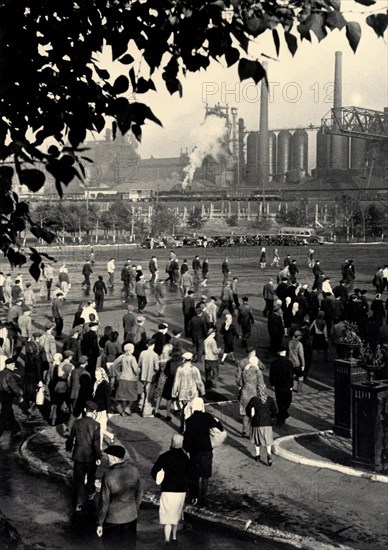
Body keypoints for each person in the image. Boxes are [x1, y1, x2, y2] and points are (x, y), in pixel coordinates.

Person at [97, 445, 143, 549]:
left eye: (108, 457)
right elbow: (139, 493)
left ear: (113, 458)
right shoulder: (134, 470)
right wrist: (134, 509)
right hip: (131, 517)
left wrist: (100, 523)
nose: (107, 459)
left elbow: (104, 502)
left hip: (112, 520)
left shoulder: (108, 475)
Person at [183, 397, 224, 506]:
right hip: (206, 449)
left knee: (194, 474)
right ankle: (203, 497)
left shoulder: (189, 420)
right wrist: (217, 421)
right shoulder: (207, 417)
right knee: (205, 474)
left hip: (194, 451)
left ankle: (194, 496)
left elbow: (187, 437)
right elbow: (220, 427)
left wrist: (186, 449)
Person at [151, 434, 190, 545]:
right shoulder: (185, 458)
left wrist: (160, 480)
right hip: (181, 491)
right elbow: (192, 474)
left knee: (167, 516)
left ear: (172, 443)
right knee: (176, 514)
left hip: (167, 490)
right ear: (182, 444)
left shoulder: (164, 456)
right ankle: (174, 537)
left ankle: (167, 540)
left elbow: (154, 471)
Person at [65, 400, 102, 512]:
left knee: (79, 480)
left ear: (85, 410)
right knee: (91, 476)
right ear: (94, 412)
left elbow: (71, 438)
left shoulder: (77, 423)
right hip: (91, 457)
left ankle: (78, 503)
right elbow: (96, 443)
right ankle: (90, 494)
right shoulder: (96, 425)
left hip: (79, 456)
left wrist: (69, 448)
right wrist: (98, 457)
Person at [246, 383, 277, 465]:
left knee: (257, 441)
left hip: (257, 423)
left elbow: (247, 410)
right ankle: (269, 456)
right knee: (268, 441)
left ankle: (257, 456)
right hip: (267, 424)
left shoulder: (254, 399)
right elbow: (275, 411)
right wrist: (271, 417)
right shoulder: (270, 399)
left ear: (257, 390)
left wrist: (250, 415)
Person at [237, 355, 264, 438]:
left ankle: (245, 431)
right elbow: (261, 384)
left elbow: (240, 383)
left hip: (245, 393)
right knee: (254, 414)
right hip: (254, 394)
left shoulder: (245, 371)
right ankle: (252, 433)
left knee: (246, 414)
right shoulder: (258, 372)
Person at [110, 343, 139, 417]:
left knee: (124, 396)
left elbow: (114, 364)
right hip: (131, 378)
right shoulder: (132, 358)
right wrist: (138, 372)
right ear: (131, 349)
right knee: (133, 395)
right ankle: (128, 408)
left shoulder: (122, 357)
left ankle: (123, 411)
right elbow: (135, 370)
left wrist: (118, 373)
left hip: (123, 377)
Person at [269, 348, 294, 425]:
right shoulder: (289, 363)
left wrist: (272, 384)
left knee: (279, 401)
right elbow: (290, 375)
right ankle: (282, 415)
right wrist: (291, 385)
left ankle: (281, 416)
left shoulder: (274, 363)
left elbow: (272, 375)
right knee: (287, 401)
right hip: (286, 386)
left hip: (278, 385)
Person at [0, 357, 23, 438]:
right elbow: (14, 387)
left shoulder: (1, 372)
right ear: (8, 365)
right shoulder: (9, 374)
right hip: (8, 394)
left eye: (14, 364)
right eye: (12, 364)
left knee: (9, 411)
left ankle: (15, 428)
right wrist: (19, 396)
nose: (14, 366)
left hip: (1, 395)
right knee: (4, 414)